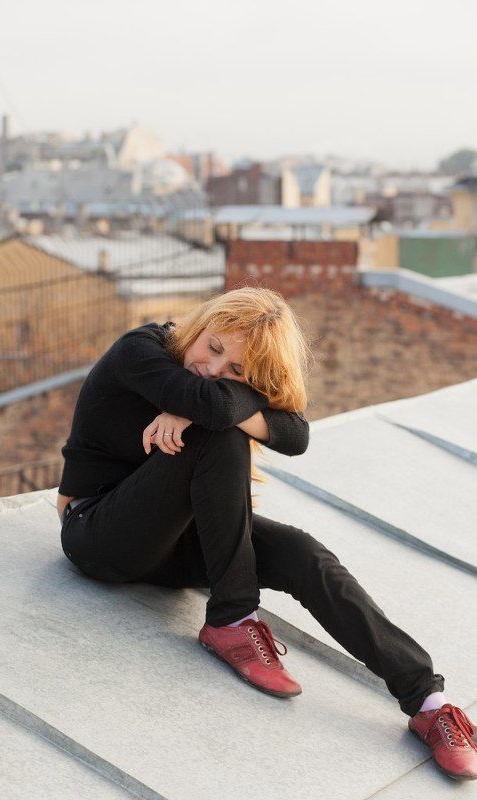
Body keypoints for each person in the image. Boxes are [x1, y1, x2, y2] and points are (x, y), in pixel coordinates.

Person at [57, 286, 476, 781]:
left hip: (181, 538)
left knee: (304, 552)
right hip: (100, 533)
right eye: (213, 348)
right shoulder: (141, 350)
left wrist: (197, 406)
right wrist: (220, 405)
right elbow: (219, 411)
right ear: (200, 326)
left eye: (237, 371)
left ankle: (428, 701)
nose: (212, 369)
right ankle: (232, 620)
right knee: (218, 432)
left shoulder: (206, 385)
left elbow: (296, 434)